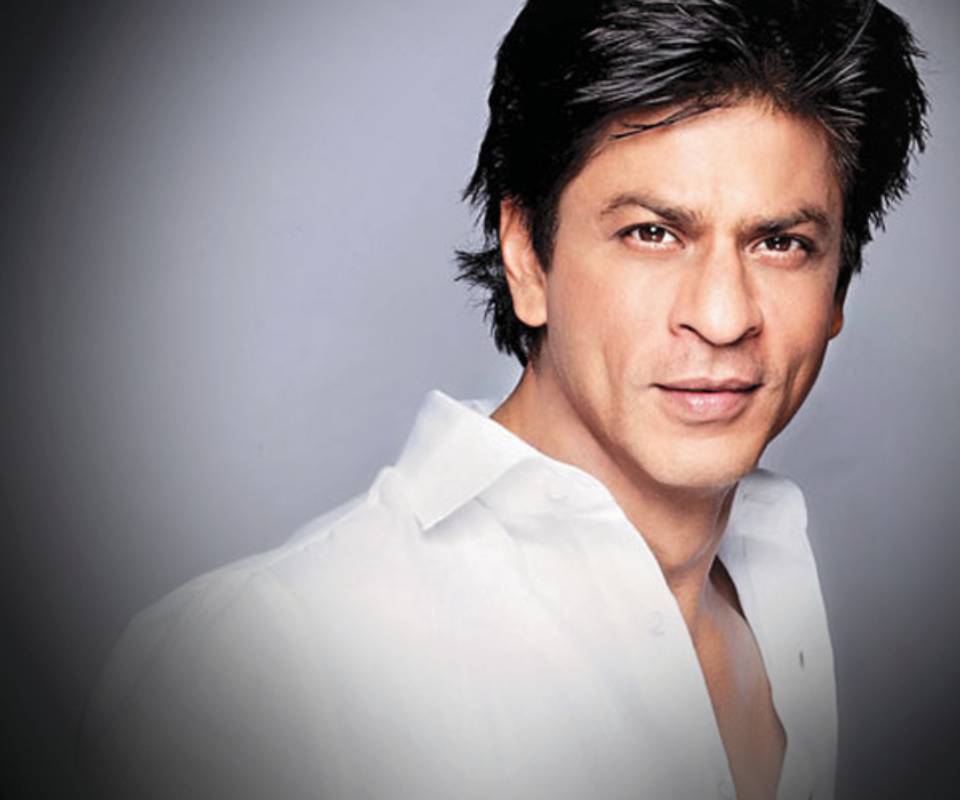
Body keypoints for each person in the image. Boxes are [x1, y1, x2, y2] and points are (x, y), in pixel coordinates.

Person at [80, 1, 927, 798]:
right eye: (652, 233)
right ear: (525, 255)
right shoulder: (259, 665)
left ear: (838, 284)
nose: (722, 316)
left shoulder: (778, 584)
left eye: (781, 243)